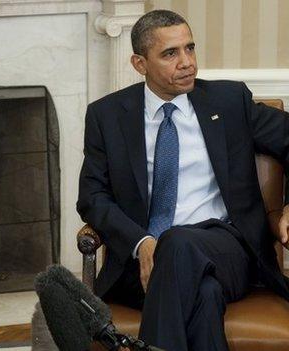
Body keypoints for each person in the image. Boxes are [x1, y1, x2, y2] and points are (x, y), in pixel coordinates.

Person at [77, 9, 289, 351]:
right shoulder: (107, 116)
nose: (187, 62)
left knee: (177, 242)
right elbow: (91, 195)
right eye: (170, 54)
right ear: (139, 63)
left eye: (190, 48)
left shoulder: (229, 101)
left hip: (227, 251)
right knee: (204, 295)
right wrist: (142, 243)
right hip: (140, 263)